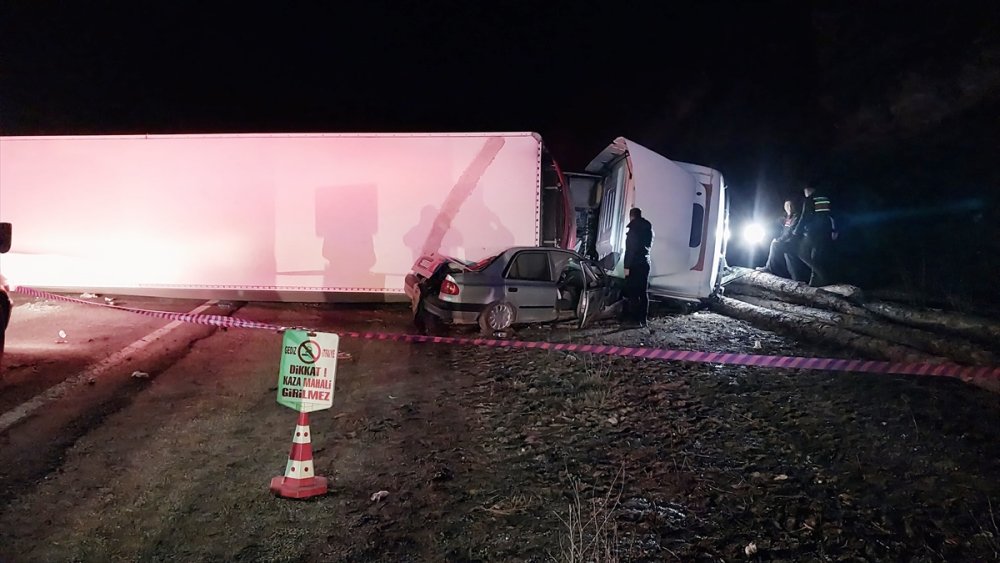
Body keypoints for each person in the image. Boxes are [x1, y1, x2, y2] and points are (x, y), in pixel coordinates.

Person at [785, 183, 838, 287]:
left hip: (813, 232)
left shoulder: (809, 200)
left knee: (802, 253)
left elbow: (804, 218)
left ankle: (822, 278)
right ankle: (816, 282)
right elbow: (831, 215)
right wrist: (834, 229)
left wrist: (796, 232)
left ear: (808, 190)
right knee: (816, 257)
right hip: (825, 231)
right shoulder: (824, 198)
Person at [622, 207, 654, 328]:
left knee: (633, 292)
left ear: (631, 216)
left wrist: (626, 266)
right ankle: (643, 319)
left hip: (635, 264)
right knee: (643, 292)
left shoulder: (633, 230)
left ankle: (634, 319)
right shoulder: (648, 229)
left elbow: (630, 250)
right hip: (645, 263)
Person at [757, 199, 798, 278]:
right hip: (787, 242)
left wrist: (780, 240)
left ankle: (770, 268)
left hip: (793, 243)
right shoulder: (786, 217)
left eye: (791, 206)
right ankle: (794, 278)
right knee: (791, 264)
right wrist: (764, 224)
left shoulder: (796, 217)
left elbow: (791, 233)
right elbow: (774, 222)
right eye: (787, 206)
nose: (789, 208)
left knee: (775, 245)